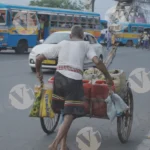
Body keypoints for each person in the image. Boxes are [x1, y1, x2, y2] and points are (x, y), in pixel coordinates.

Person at [35, 25, 113, 150]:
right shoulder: (86, 45)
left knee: (64, 112)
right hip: (73, 81)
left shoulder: (62, 44)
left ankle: (63, 145)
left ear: (70, 36)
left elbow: (39, 57)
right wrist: (108, 77)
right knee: (69, 115)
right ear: (83, 36)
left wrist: (38, 72)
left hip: (59, 79)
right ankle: (54, 145)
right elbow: (97, 62)